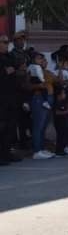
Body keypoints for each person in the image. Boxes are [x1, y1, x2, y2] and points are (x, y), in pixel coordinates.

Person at [29, 53, 55, 159]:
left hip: (45, 97)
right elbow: (30, 84)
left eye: (43, 59)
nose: (42, 61)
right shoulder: (32, 69)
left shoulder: (42, 70)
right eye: (39, 59)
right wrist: (41, 84)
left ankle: (41, 148)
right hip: (38, 98)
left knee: (43, 126)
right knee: (38, 126)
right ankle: (36, 150)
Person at [0, 35, 18, 165]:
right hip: (1, 98)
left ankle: (7, 153)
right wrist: (5, 72)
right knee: (2, 126)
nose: (7, 45)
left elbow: (16, 66)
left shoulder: (9, 57)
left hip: (11, 97)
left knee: (10, 127)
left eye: (7, 42)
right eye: (4, 42)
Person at [52, 87, 68, 156]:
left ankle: (63, 149)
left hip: (64, 122)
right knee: (60, 136)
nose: (65, 95)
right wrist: (66, 112)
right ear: (59, 95)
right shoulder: (56, 102)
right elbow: (57, 112)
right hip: (59, 122)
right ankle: (58, 151)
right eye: (63, 93)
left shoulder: (63, 102)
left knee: (64, 135)